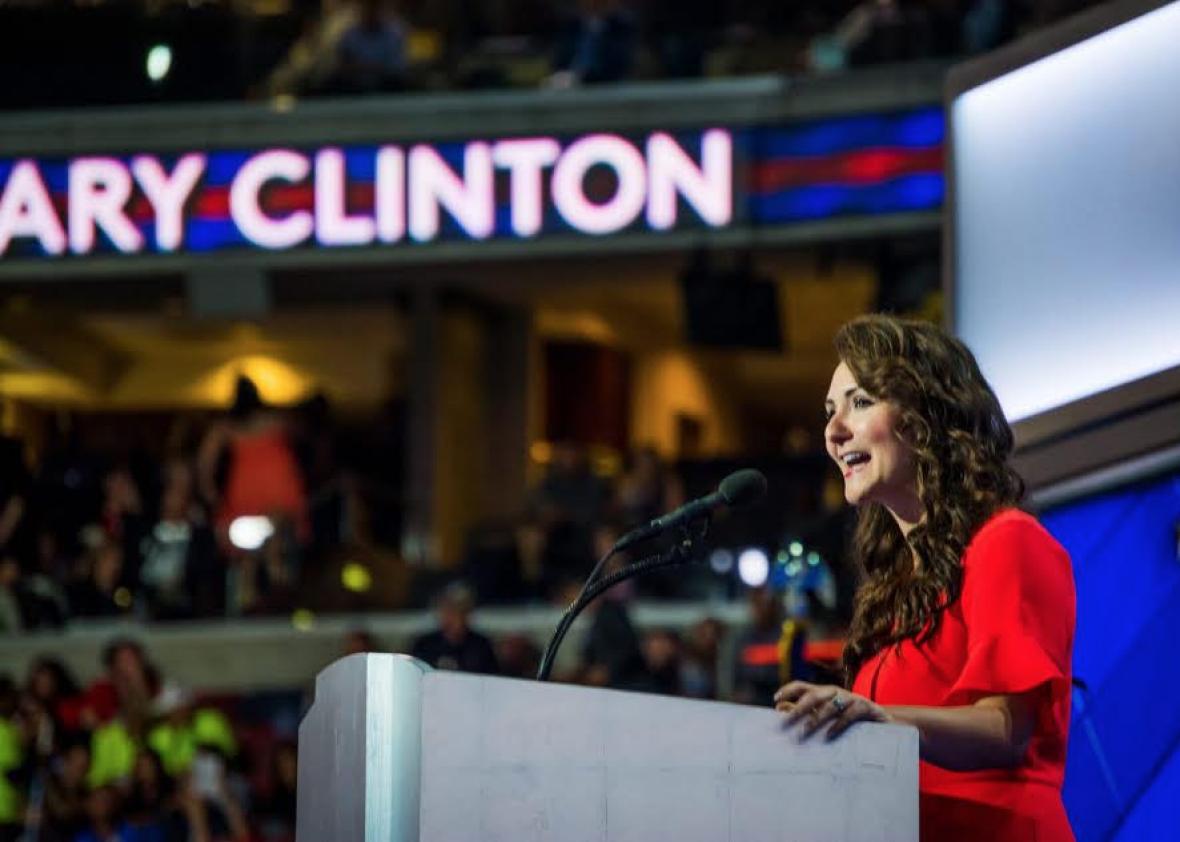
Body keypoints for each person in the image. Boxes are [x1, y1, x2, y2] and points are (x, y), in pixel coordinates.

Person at [774, 314, 1075, 841]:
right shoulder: (896, 584)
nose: (833, 430)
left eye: (860, 402)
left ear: (926, 416)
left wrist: (877, 717)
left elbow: (1006, 731)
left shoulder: (1007, 541)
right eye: (830, 411)